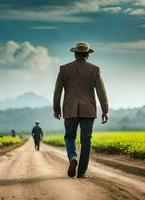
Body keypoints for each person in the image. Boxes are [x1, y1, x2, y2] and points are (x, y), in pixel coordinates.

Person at [53, 42, 109, 178]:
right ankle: (82, 172)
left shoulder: (64, 69)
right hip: (88, 110)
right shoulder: (95, 69)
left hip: (70, 109)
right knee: (86, 141)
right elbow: (101, 91)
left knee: (69, 137)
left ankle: (72, 156)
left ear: (75, 54)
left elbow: (57, 91)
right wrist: (105, 110)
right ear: (88, 55)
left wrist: (56, 108)